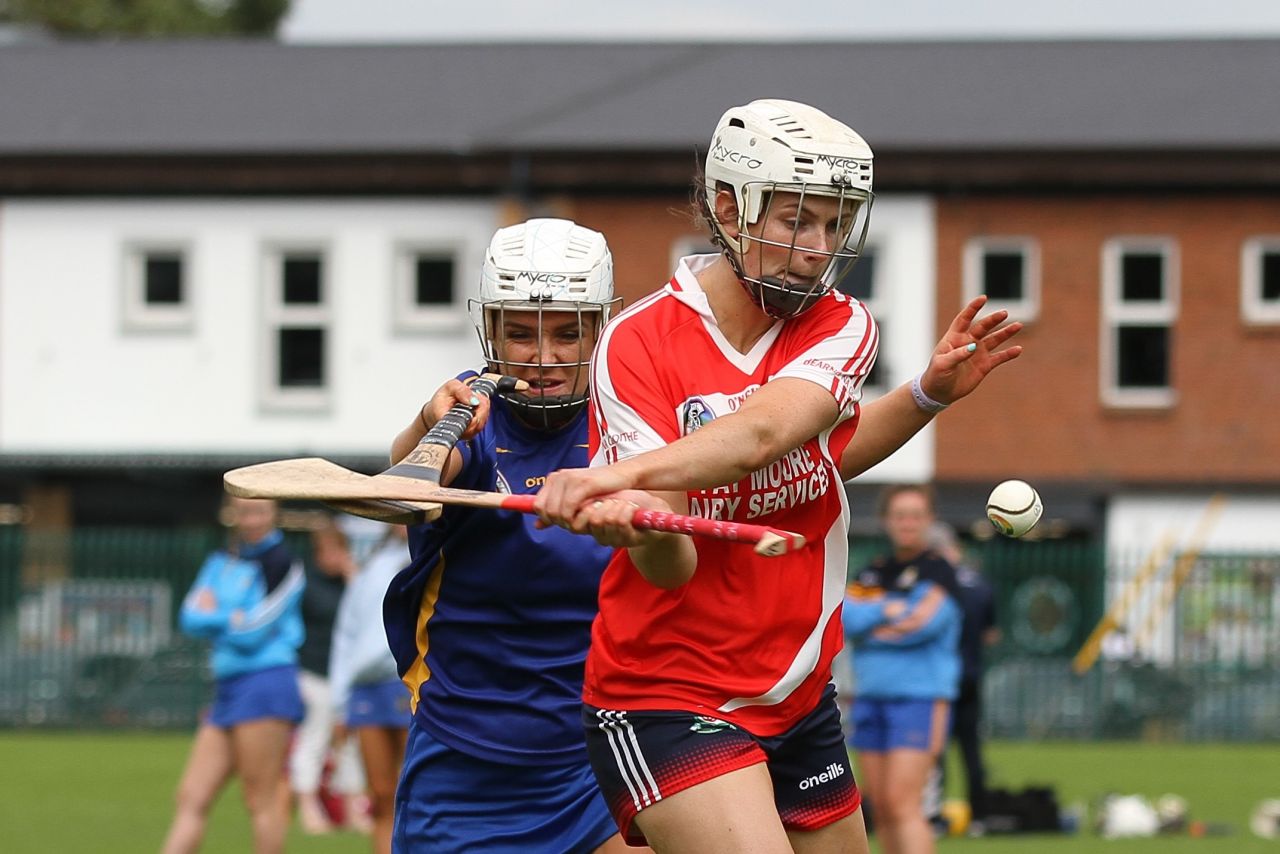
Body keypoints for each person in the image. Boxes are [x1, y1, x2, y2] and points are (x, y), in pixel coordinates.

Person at [533, 98, 1022, 853]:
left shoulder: (841, 323)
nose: (816, 248)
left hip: (795, 692)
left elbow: (781, 442)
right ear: (729, 209)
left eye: (833, 225)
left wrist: (925, 394)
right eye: (796, 221)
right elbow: (672, 562)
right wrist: (634, 521)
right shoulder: (636, 344)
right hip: (666, 693)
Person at [382, 218, 636, 852]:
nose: (544, 358)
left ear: (603, 328)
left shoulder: (634, 423)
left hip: (603, 753)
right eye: (520, 334)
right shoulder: (473, 410)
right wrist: (428, 425)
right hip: (466, 757)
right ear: (490, 329)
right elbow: (406, 484)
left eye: (567, 334)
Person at [162, 496, 305, 854]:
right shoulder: (221, 560)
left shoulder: (283, 563)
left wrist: (219, 616)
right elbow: (189, 618)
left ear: (274, 513)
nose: (251, 519)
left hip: (265, 684)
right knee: (191, 795)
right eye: (243, 511)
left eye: (258, 510)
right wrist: (232, 616)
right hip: (227, 687)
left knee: (260, 799)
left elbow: (252, 632)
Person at [844, 486, 963, 854]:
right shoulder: (872, 571)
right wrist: (887, 611)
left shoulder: (939, 571)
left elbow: (919, 624)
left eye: (915, 515)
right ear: (886, 521)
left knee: (903, 803)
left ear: (930, 521)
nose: (907, 523)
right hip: (870, 696)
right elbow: (844, 618)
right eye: (899, 515)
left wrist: (872, 623)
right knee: (880, 807)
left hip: (919, 699)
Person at [329, 524, 413, 854]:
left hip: (409, 683)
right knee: (380, 795)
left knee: (419, 793)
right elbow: (346, 635)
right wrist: (340, 702)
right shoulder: (370, 567)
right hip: (366, 690)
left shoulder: (433, 556)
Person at [289, 517, 368, 835]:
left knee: (351, 744)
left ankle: (353, 807)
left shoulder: (355, 581)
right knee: (315, 738)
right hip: (315, 672)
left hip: (347, 678)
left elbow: (368, 620)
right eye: (328, 551)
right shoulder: (307, 583)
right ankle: (308, 807)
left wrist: (354, 580)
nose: (334, 557)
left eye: (340, 550)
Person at [930, 522, 999, 836]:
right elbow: (991, 635)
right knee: (971, 749)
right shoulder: (982, 585)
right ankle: (980, 817)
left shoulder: (934, 585)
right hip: (971, 675)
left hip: (938, 679)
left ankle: (934, 814)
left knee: (935, 749)